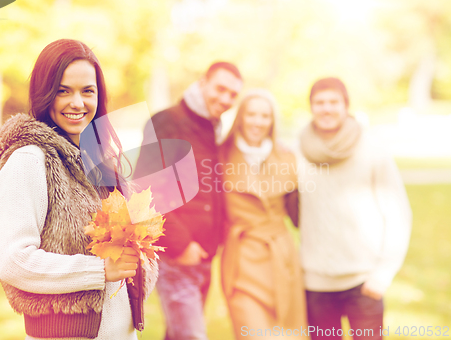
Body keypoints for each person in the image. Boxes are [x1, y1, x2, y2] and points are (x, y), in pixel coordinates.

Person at [0, 39, 156, 340]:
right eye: (63, 90)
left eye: (87, 91)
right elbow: (14, 262)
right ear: (44, 94)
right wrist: (100, 270)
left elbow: (127, 259)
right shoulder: (29, 160)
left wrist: (141, 251)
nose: (77, 103)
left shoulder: (100, 161)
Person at [134, 62, 244, 340]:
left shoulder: (214, 129)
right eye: (220, 89)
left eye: (233, 94)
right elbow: (145, 189)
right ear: (202, 82)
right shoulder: (167, 122)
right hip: (177, 256)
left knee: (179, 334)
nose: (225, 99)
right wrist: (181, 244)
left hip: (205, 256)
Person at [296, 77, 412, 340]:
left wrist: (383, 273)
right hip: (316, 285)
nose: (326, 108)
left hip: (364, 281)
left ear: (346, 106)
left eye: (333, 102)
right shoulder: (297, 152)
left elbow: (398, 214)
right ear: (311, 107)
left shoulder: (372, 149)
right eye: (319, 102)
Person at [219, 89, 308, 340]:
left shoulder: (287, 157)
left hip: (281, 258)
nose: (258, 122)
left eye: (265, 116)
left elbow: (301, 212)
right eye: (252, 114)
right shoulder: (220, 155)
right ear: (241, 117)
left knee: (289, 335)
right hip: (242, 260)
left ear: (272, 121)